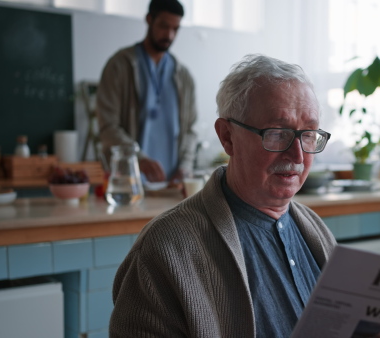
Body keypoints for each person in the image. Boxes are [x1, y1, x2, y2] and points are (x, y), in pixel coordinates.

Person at [109, 54, 337, 337]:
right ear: (227, 136)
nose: (298, 154)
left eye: (309, 134)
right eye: (278, 133)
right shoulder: (164, 250)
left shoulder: (316, 232)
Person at [96, 0, 197, 185]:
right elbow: (108, 127)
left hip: (171, 187)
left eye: (175, 28)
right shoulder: (119, 66)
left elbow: (191, 130)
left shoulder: (184, 77)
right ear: (149, 19)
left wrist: (185, 166)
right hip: (128, 184)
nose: (169, 35)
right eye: (164, 26)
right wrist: (138, 159)